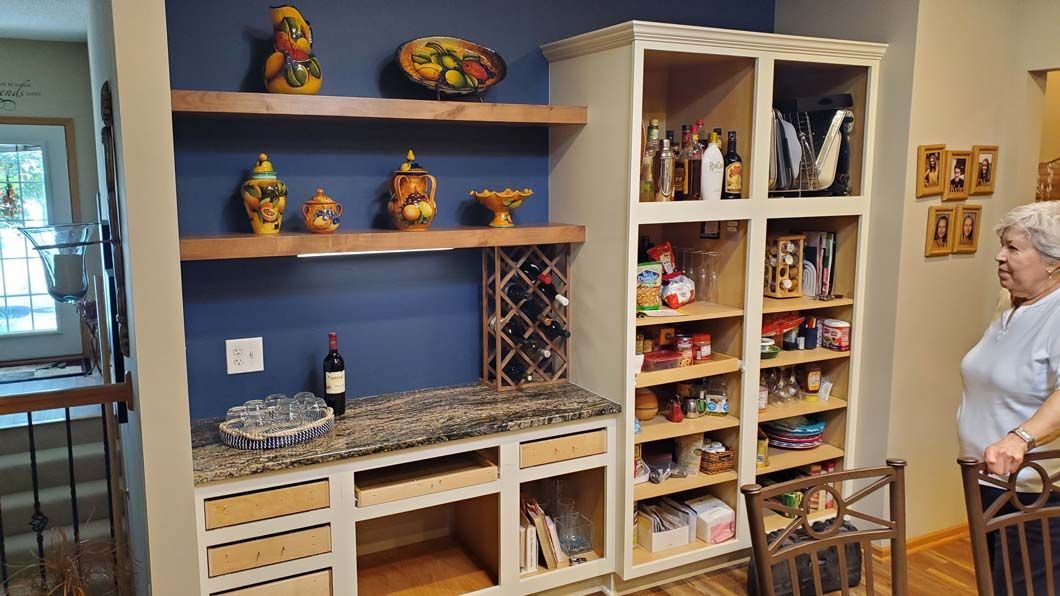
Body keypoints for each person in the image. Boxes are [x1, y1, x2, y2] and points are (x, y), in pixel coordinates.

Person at [958, 201, 1060, 593]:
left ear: (1052, 261)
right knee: (994, 582)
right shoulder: (1010, 305)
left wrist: (1020, 438)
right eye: (1003, 245)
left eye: (1014, 248)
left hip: (1037, 494)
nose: (999, 256)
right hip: (990, 482)